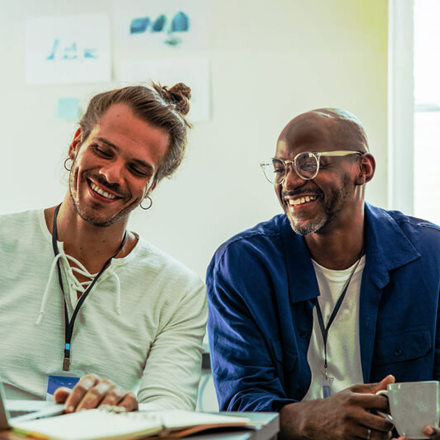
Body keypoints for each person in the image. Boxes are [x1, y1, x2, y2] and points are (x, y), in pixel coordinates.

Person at [206, 108, 440, 440]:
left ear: (363, 168)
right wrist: (312, 419)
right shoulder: (243, 266)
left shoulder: (431, 256)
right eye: (280, 169)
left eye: (308, 163)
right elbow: (240, 402)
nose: (289, 182)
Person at [0, 82, 207, 413]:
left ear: (152, 185)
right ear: (75, 144)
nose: (112, 174)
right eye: (103, 151)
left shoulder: (178, 290)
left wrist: (127, 408)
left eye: (137, 169)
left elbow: (170, 408)